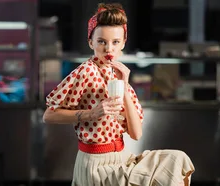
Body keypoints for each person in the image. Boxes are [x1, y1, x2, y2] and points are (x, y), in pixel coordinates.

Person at [42, 3, 195, 186]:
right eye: (101, 42)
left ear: (123, 43)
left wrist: (125, 85)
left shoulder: (119, 75)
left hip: (120, 158)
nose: (108, 49)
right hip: (95, 164)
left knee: (176, 159)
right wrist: (91, 114)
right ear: (91, 42)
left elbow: (136, 133)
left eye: (115, 42)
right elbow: (49, 114)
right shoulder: (85, 72)